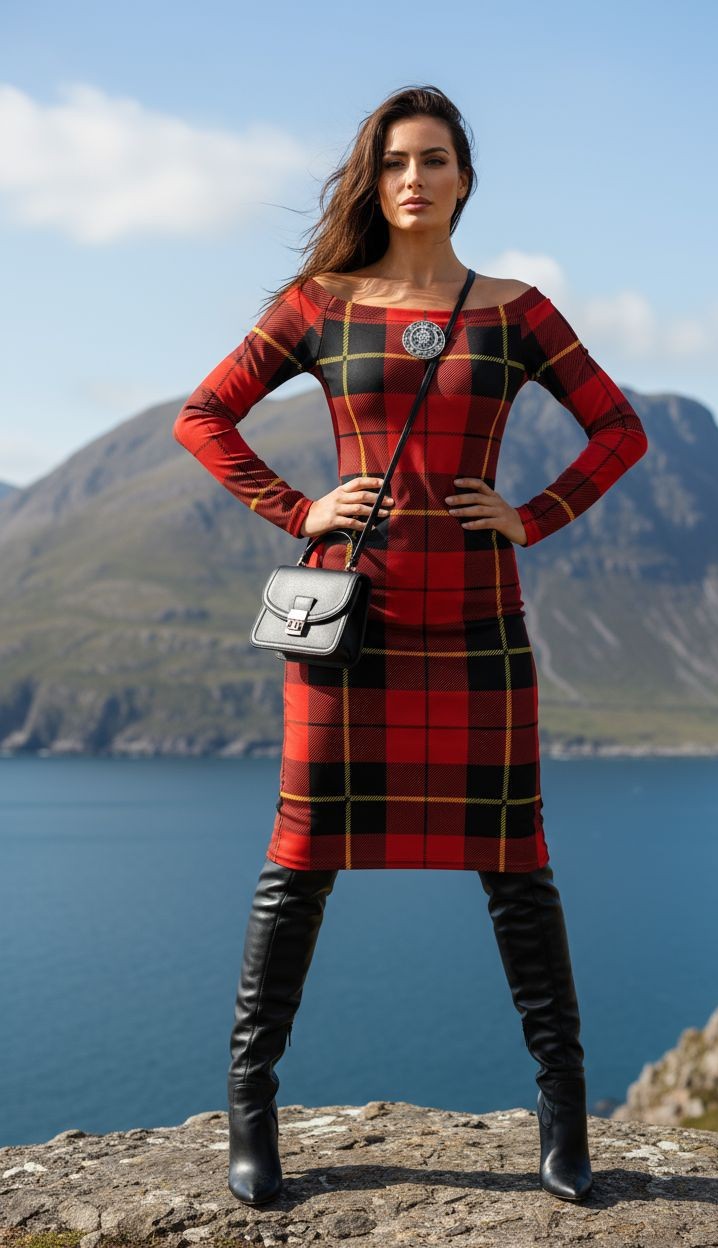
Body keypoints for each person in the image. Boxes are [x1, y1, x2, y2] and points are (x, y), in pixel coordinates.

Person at [172, 84, 649, 1207]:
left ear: (464, 178)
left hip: (481, 621)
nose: (414, 180)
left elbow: (617, 428)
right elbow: (203, 416)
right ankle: (252, 1120)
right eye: (394, 162)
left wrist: (535, 514)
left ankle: (564, 1125)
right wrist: (298, 508)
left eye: (433, 160)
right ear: (371, 179)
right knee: (299, 864)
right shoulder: (319, 305)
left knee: (516, 869)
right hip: (352, 624)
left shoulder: (516, 312)